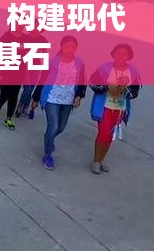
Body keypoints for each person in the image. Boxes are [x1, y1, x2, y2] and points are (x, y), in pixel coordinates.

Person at [32, 35, 87, 171]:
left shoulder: (79, 63)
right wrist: (35, 98)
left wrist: (79, 96)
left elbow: (82, 81)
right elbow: (42, 79)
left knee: (61, 127)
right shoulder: (52, 62)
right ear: (62, 47)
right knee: (53, 126)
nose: (70, 49)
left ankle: (49, 139)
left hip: (67, 100)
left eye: (73, 47)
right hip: (51, 98)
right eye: (67, 47)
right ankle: (48, 154)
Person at [89, 44, 141, 175]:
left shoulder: (133, 72)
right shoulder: (104, 68)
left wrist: (126, 90)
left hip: (120, 109)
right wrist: (106, 87)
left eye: (124, 54)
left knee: (110, 136)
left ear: (129, 56)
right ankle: (96, 161)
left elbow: (135, 92)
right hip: (104, 107)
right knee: (103, 133)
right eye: (118, 53)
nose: (120, 56)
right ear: (113, 54)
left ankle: (101, 159)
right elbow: (92, 82)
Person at [0, 23, 31, 130]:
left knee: (14, 95)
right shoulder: (6, 37)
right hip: (6, 70)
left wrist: (26, 73)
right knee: (4, 94)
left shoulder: (26, 38)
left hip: (19, 72)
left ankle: (9, 118)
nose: (21, 25)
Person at [15, 24, 48, 118]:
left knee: (31, 90)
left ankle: (25, 108)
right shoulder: (25, 37)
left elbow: (44, 54)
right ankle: (19, 107)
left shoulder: (43, 40)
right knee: (27, 89)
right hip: (25, 66)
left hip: (36, 67)